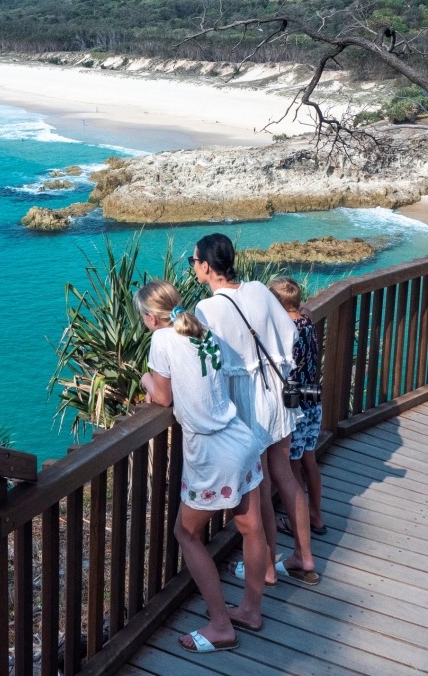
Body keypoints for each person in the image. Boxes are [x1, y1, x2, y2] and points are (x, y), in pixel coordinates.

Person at [136, 279, 268, 653]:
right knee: (251, 527)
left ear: (149, 317)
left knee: (186, 534)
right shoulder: (201, 330)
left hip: (211, 452)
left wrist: (144, 378)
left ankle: (220, 625)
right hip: (240, 438)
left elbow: (162, 398)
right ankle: (250, 611)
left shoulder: (162, 339)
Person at [192, 234, 319, 587]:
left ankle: (264, 567)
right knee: (286, 476)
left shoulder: (207, 309)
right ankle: (304, 557)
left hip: (247, 404)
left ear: (206, 266)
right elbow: (290, 334)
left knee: (259, 486)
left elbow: (207, 365)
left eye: (193, 262)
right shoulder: (260, 290)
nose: (193, 268)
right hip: (278, 395)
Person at [267, 277, 326, 536]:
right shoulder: (307, 322)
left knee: (292, 466)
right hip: (312, 399)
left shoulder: (284, 331)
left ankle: (297, 520)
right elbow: (306, 311)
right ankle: (317, 515)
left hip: (295, 406)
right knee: (309, 462)